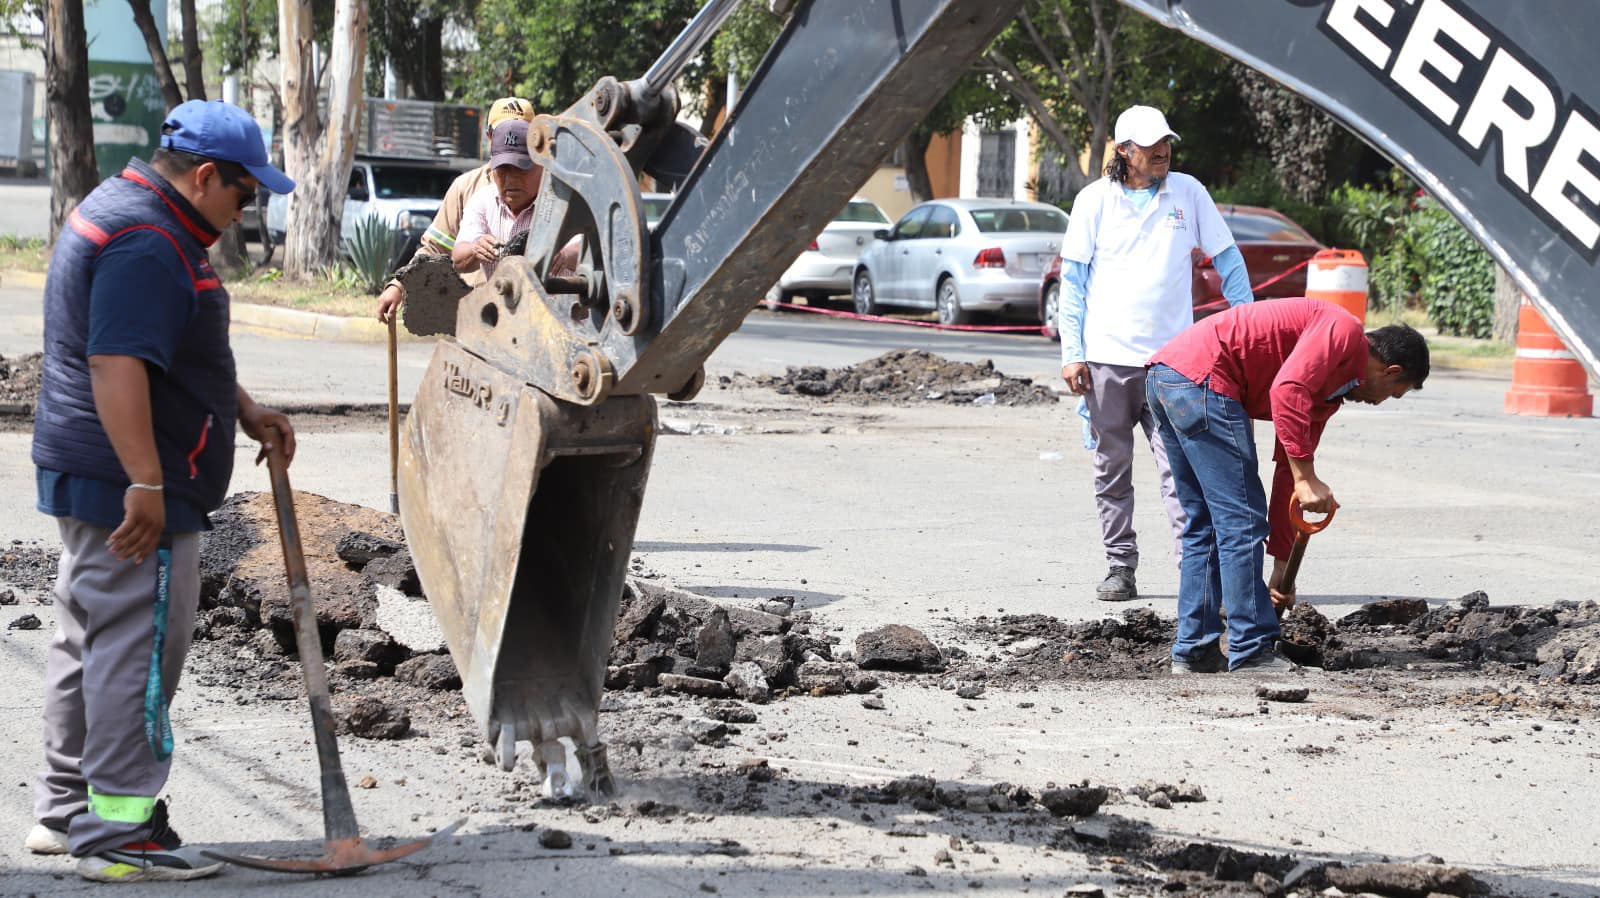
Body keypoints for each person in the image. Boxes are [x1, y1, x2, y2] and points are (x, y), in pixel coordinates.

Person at [27, 99, 297, 882]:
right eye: (245, 194)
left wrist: (243, 408)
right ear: (206, 175)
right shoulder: (149, 240)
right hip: (132, 482)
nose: (246, 210)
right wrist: (146, 480)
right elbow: (118, 364)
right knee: (136, 654)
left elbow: (171, 345)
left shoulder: (130, 210)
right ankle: (118, 834)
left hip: (97, 472)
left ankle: (65, 810)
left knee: (90, 640)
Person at [1145, 299, 1429, 674]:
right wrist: (1307, 476)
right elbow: (1287, 390)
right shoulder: (1342, 331)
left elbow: (1287, 473)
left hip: (1169, 377)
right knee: (1240, 522)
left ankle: (1195, 650)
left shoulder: (1328, 394)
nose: (1379, 402)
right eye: (1392, 393)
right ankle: (1252, 649)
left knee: (1206, 525)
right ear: (1391, 371)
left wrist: (1281, 565)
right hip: (1203, 379)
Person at [1058, 105, 1254, 602]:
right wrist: (1072, 352)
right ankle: (1120, 566)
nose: (1162, 150)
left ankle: (1193, 571)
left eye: (1166, 140)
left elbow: (1228, 260)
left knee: (1180, 472)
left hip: (1174, 364)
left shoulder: (1188, 193)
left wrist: (1248, 326)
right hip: (1106, 359)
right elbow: (1074, 283)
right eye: (1150, 144)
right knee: (1111, 469)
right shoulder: (1093, 201)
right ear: (1124, 151)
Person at [375, 96, 535, 324]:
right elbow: (434, 248)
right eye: (503, 133)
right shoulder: (467, 188)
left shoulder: (549, 189)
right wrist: (399, 285)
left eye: (520, 134)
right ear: (490, 137)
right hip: (479, 318)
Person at [453, 118, 543, 282]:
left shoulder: (560, 202)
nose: (510, 179)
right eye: (502, 170)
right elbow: (458, 258)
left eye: (521, 169)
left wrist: (565, 255)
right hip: (503, 305)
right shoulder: (483, 200)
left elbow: (581, 247)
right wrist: (476, 249)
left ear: (541, 166)